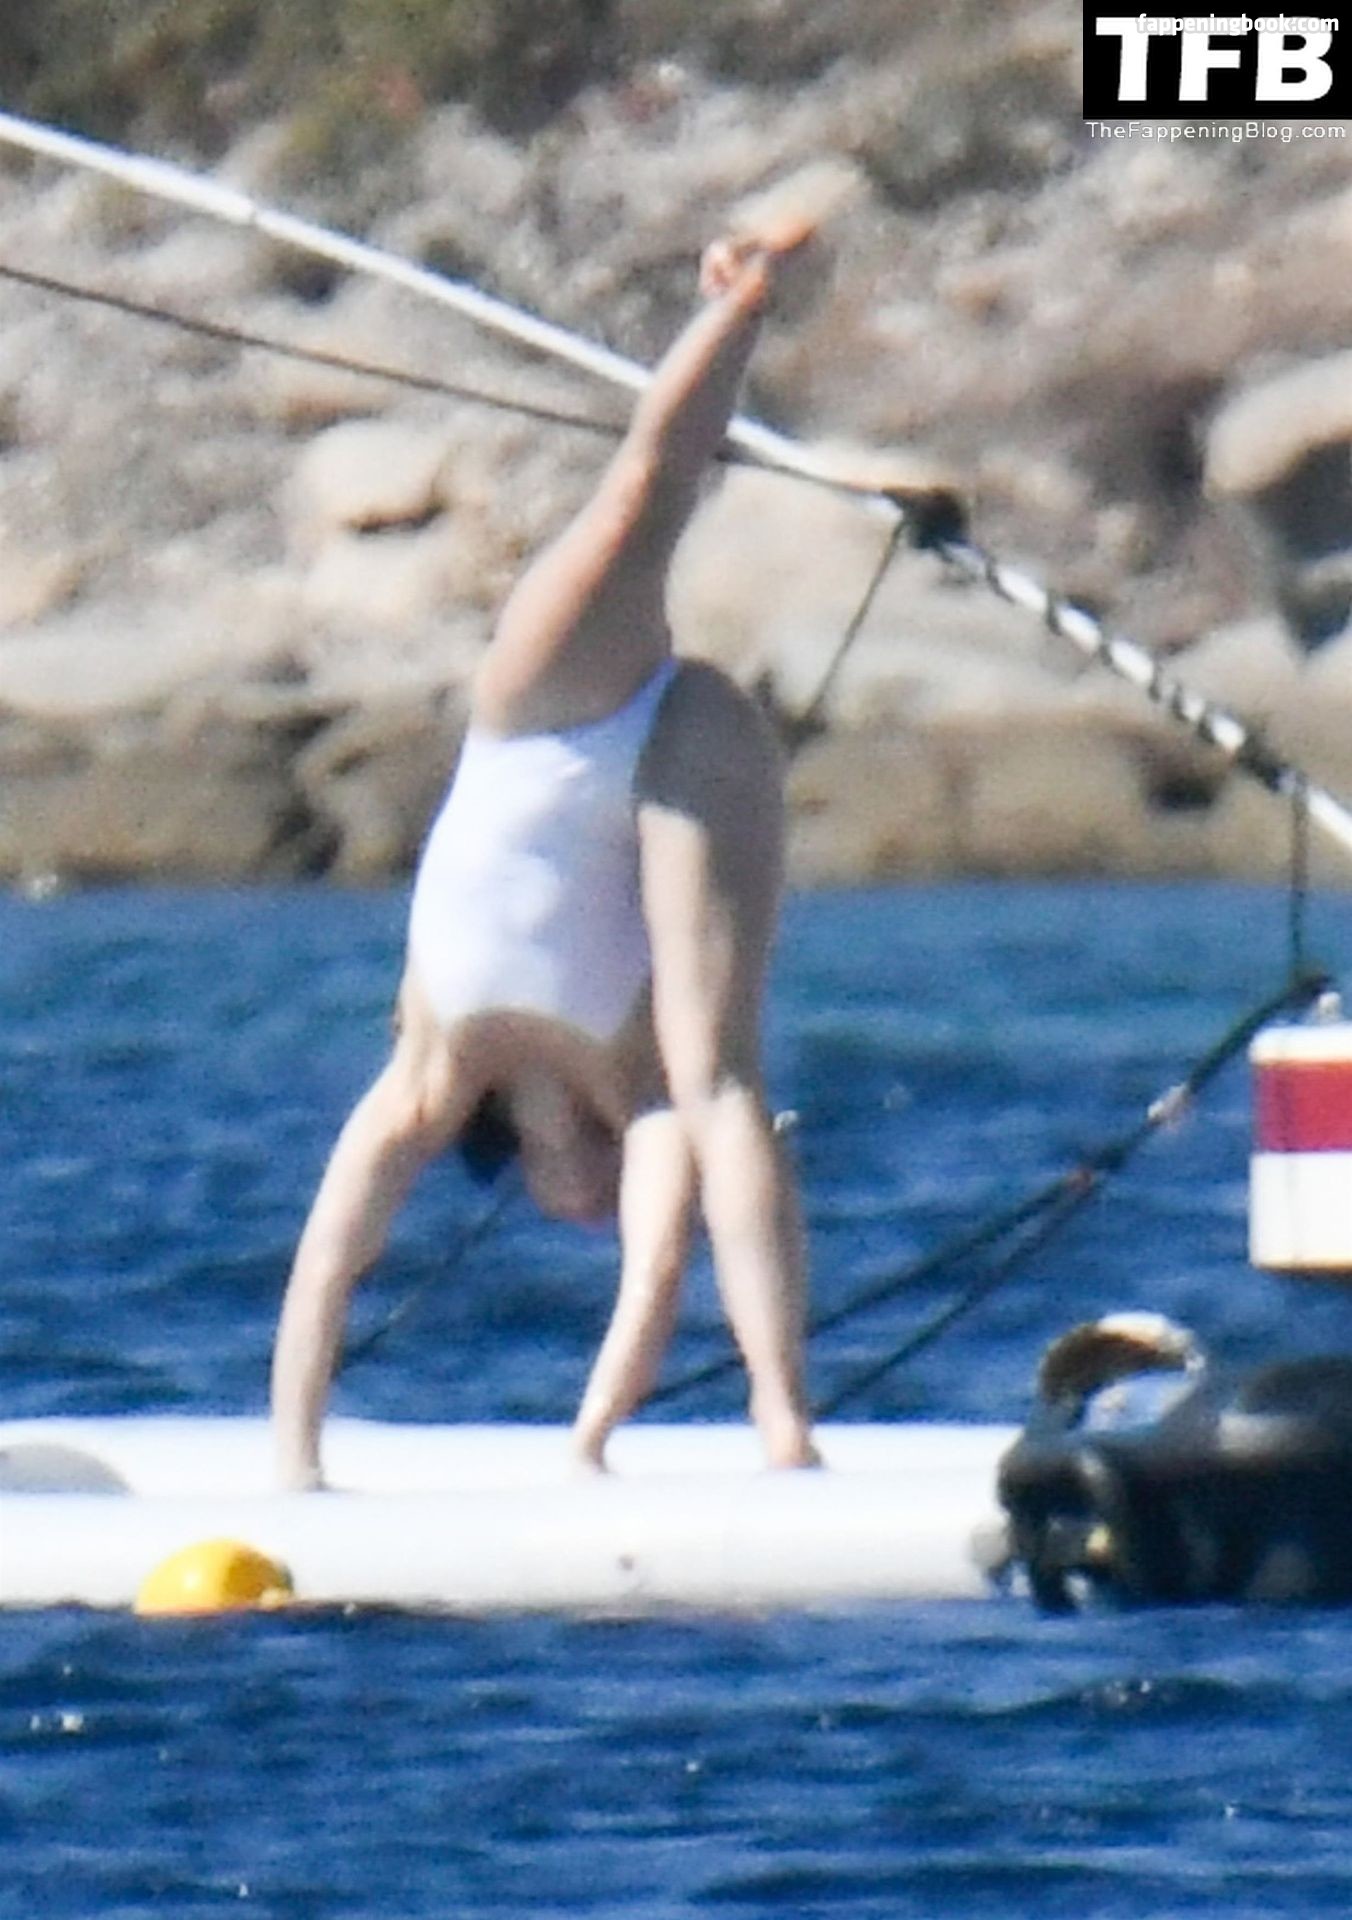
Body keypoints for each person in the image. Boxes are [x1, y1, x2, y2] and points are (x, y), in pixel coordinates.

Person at [270, 180, 840, 1491]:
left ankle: (742, 294)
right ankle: (784, 1424)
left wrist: (295, 1468)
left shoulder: (422, 1078)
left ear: (523, 1160)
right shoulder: (640, 1098)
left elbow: (325, 1269)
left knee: (639, 499)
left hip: (540, 722)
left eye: (561, 1206)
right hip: (684, 749)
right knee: (722, 1084)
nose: (584, 1216)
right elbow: (653, 1275)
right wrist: (585, 1446)